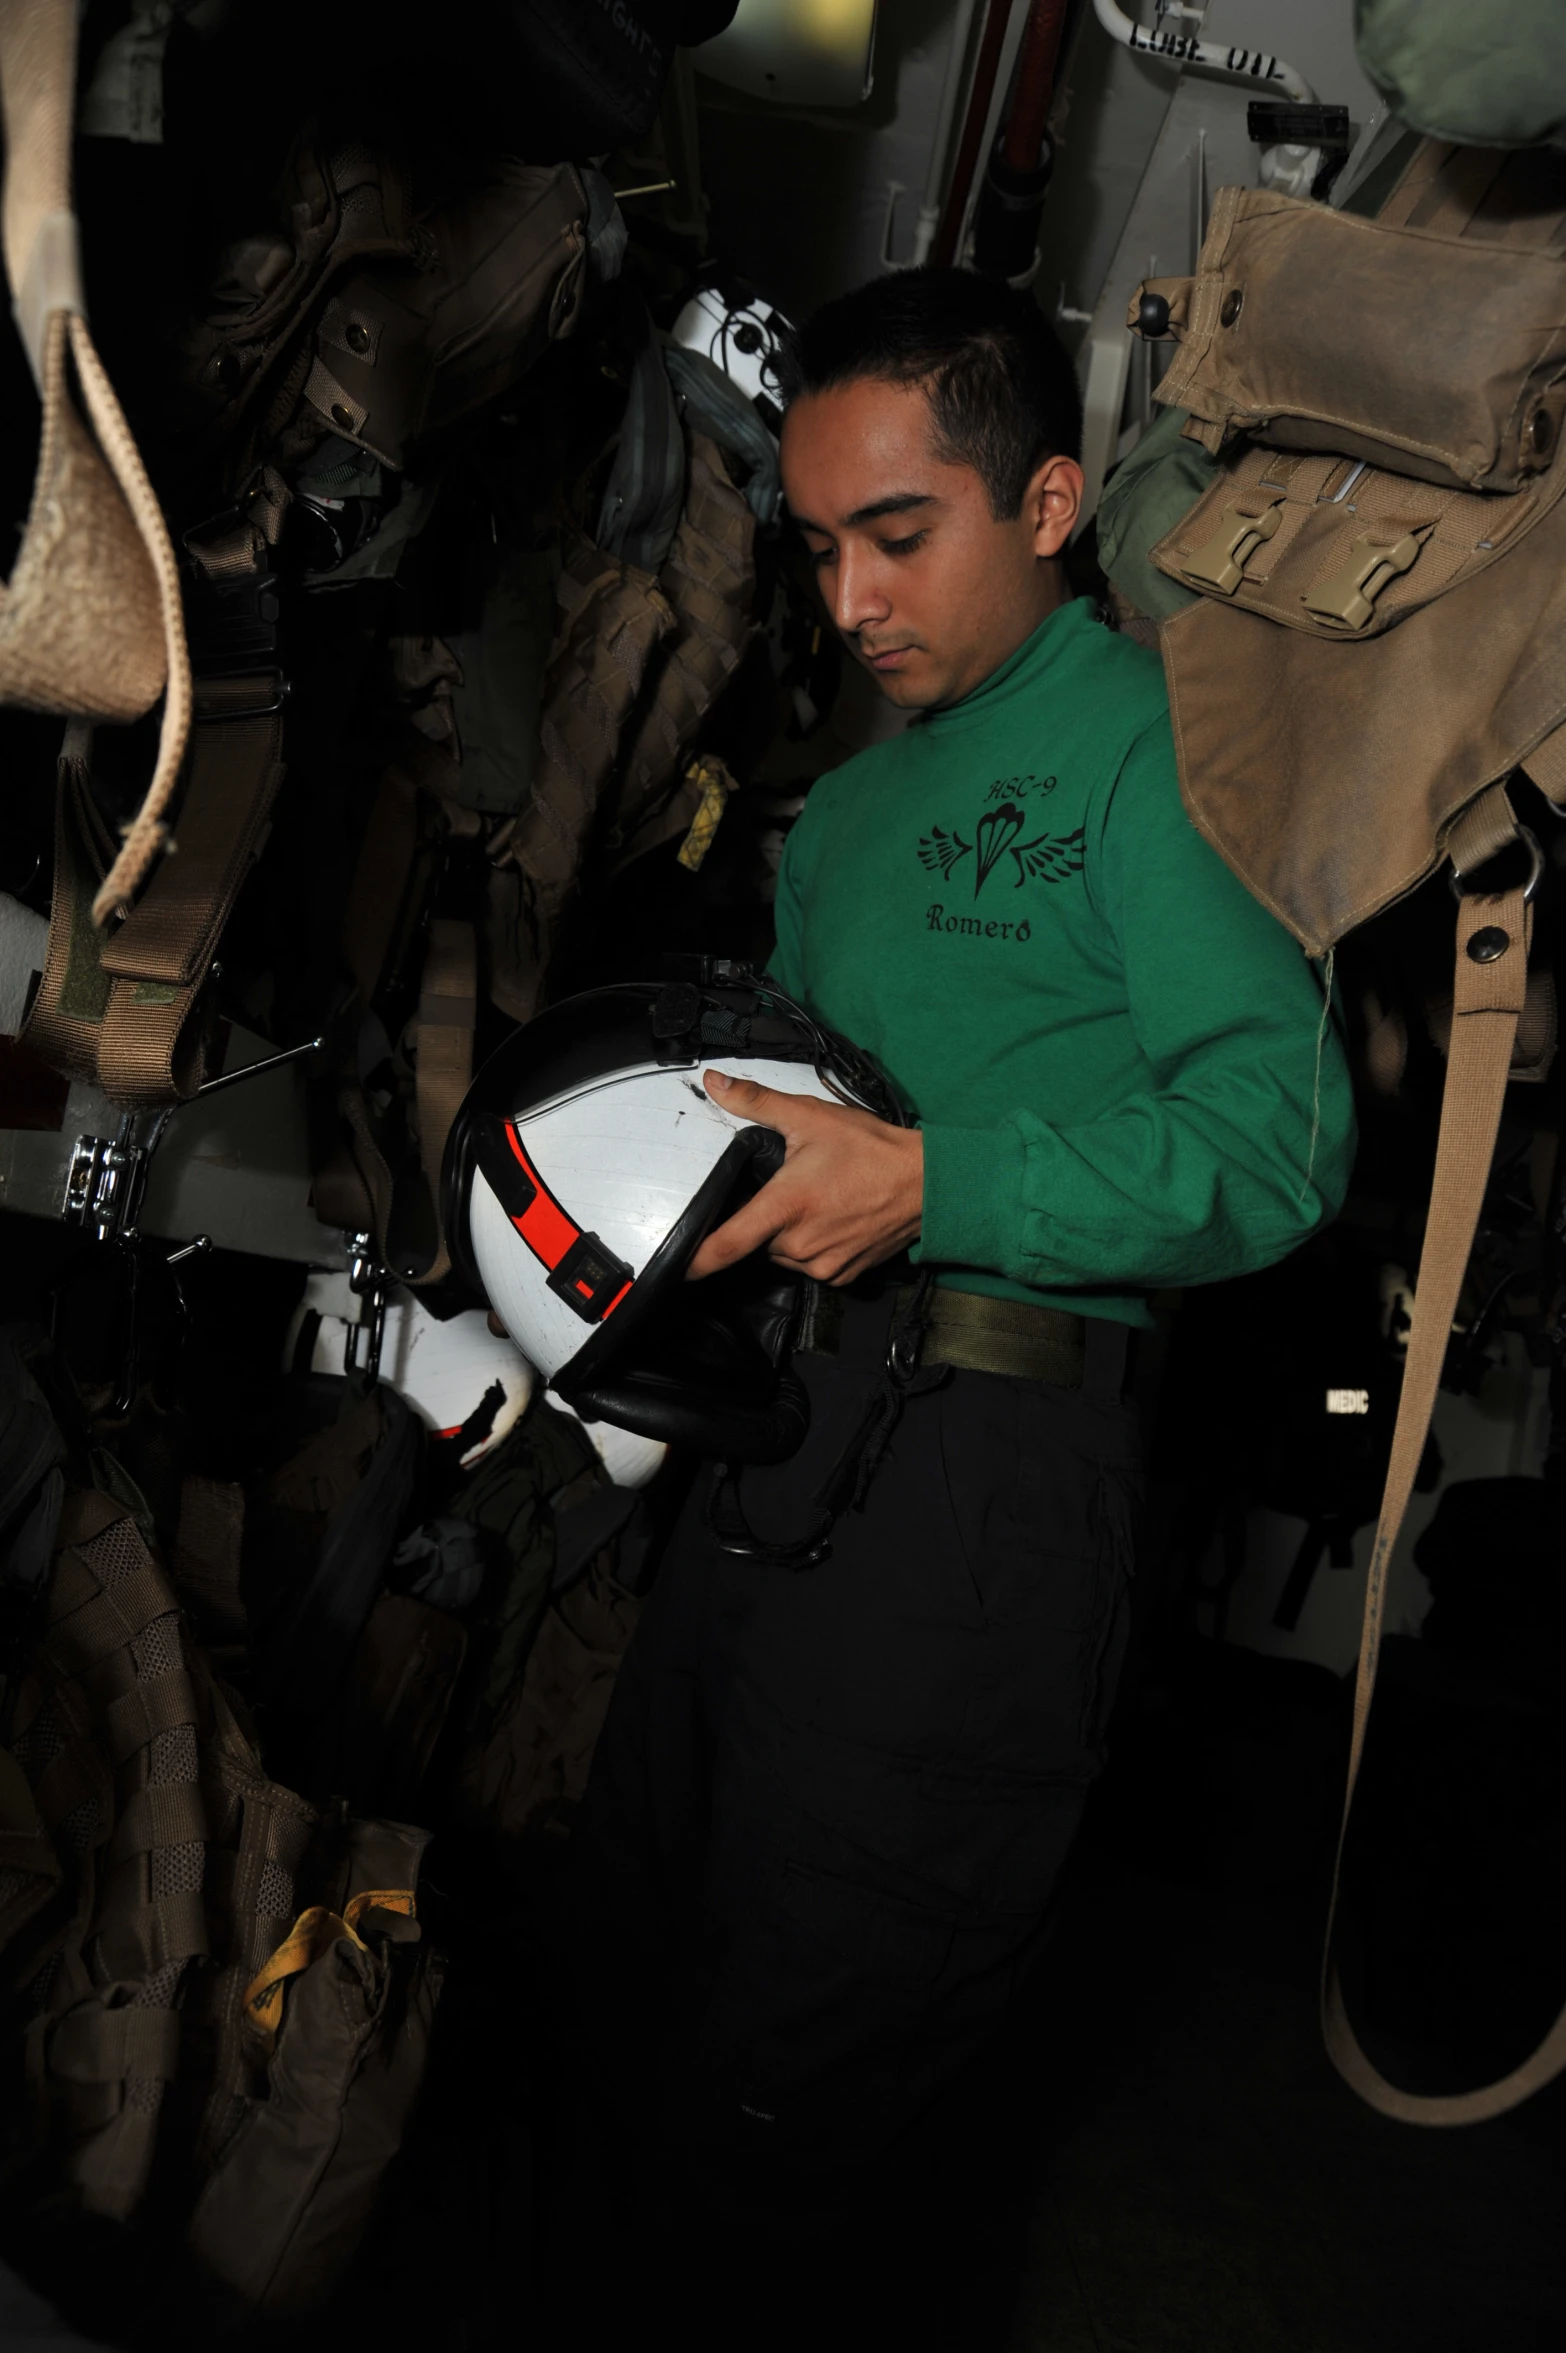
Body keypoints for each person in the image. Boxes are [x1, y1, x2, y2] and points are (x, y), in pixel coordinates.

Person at [552, 268, 1354, 2345]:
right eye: (819, 548)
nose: (850, 599)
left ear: (1055, 500)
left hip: (990, 1490)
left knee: (805, 2080)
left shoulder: (1161, 752)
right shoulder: (853, 805)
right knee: (638, 1978)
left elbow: (1276, 1148)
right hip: (768, 1454)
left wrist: (944, 1187)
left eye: (899, 537)